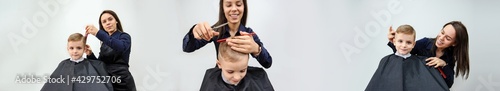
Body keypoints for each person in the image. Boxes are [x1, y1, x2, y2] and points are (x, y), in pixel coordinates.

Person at [182, 0, 272, 69]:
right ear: (223, 8)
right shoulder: (215, 31)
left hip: (242, 80)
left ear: (244, 7)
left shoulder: (249, 34)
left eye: (238, 4)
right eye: (228, 5)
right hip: (220, 81)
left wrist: (256, 49)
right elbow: (187, 48)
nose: (233, 9)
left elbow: (267, 63)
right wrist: (194, 32)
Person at [387, 21, 470, 88]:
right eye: (442, 32)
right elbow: (403, 54)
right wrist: (394, 42)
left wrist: (444, 65)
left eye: (447, 38)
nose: (441, 38)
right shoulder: (425, 43)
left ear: (454, 43)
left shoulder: (450, 57)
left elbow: (448, 84)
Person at [366, 25, 449, 91]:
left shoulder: (422, 62)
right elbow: (377, 85)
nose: (404, 45)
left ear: (413, 44)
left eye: (408, 42)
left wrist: (444, 65)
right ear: (394, 41)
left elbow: (432, 84)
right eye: (400, 41)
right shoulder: (385, 61)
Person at [41, 33, 113, 91]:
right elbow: (52, 86)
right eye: (71, 48)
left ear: (84, 49)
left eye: (79, 48)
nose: (75, 51)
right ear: (68, 49)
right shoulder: (63, 64)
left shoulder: (94, 65)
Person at [85, 10, 136, 91]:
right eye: (104, 22)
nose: (107, 23)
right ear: (102, 25)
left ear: (116, 21)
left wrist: (98, 33)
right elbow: (100, 65)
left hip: (122, 82)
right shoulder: (104, 43)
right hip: (108, 83)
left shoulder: (125, 37)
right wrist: (90, 54)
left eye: (110, 19)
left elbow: (120, 47)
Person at [200, 40, 274, 91]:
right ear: (219, 64)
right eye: (230, 72)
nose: (237, 77)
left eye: (242, 70)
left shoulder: (259, 78)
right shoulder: (211, 81)